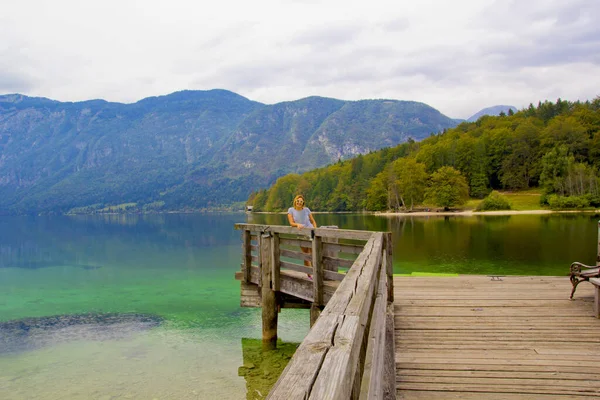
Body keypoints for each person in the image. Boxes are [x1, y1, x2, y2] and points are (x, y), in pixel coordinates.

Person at [287, 194, 317, 279]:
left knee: (312, 253)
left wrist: (315, 230)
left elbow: (313, 221)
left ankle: (313, 273)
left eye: (301, 201)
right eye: (298, 201)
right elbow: (291, 223)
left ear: (303, 203)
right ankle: (309, 275)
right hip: (300, 234)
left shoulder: (306, 210)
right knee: (305, 255)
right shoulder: (291, 210)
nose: (299, 203)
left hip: (310, 232)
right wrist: (297, 224)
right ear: (295, 201)